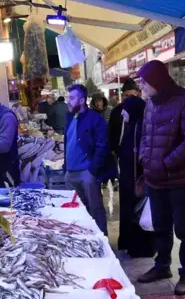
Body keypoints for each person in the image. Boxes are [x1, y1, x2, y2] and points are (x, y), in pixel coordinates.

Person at [136, 60, 185, 295]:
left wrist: (166, 164)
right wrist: (146, 158)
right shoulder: (150, 104)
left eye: (144, 81)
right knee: (161, 227)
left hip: (180, 181)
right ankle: (162, 266)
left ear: (156, 80)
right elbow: (145, 135)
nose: (141, 86)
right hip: (155, 180)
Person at [108, 78, 155, 258]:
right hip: (129, 176)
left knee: (140, 209)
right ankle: (128, 241)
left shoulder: (141, 128)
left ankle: (141, 247)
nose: (124, 113)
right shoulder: (131, 126)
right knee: (128, 208)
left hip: (139, 177)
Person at [64, 84, 117, 235]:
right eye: (69, 97)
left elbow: (103, 146)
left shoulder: (95, 120)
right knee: (76, 209)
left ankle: (102, 240)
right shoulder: (69, 116)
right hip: (70, 173)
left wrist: (93, 170)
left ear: (81, 101)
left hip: (87, 173)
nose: (68, 101)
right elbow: (68, 141)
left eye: (72, 98)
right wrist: (65, 165)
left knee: (95, 209)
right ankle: (83, 239)